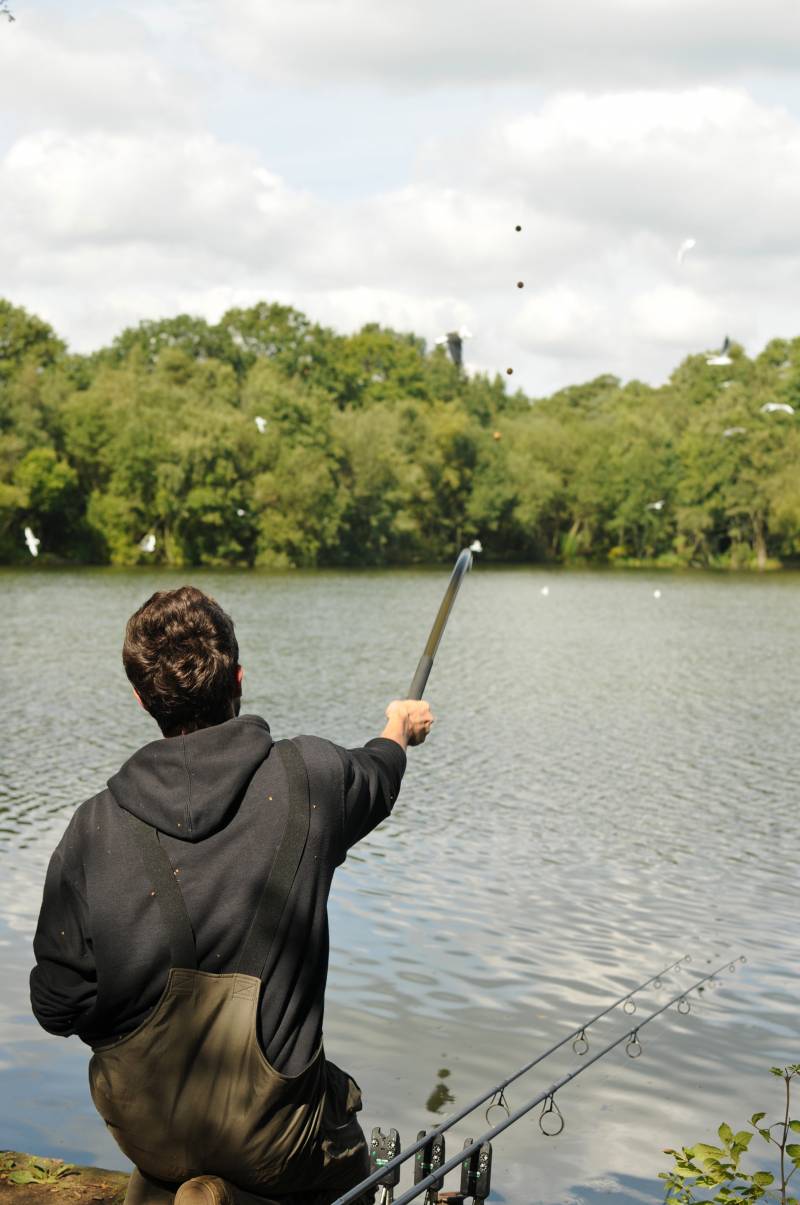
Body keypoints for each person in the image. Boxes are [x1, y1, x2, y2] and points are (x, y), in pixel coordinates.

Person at [30, 585, 433, 1205]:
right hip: (276, 1141)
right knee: (350, 1155)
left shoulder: (92, 826)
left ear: (142, 698)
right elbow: (378, 774)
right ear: (239, 677)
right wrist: (398, 725)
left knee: (172, 1159)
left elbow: (56, 1006)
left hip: (145, 1130)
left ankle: (191, 1186)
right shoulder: (311, 779)